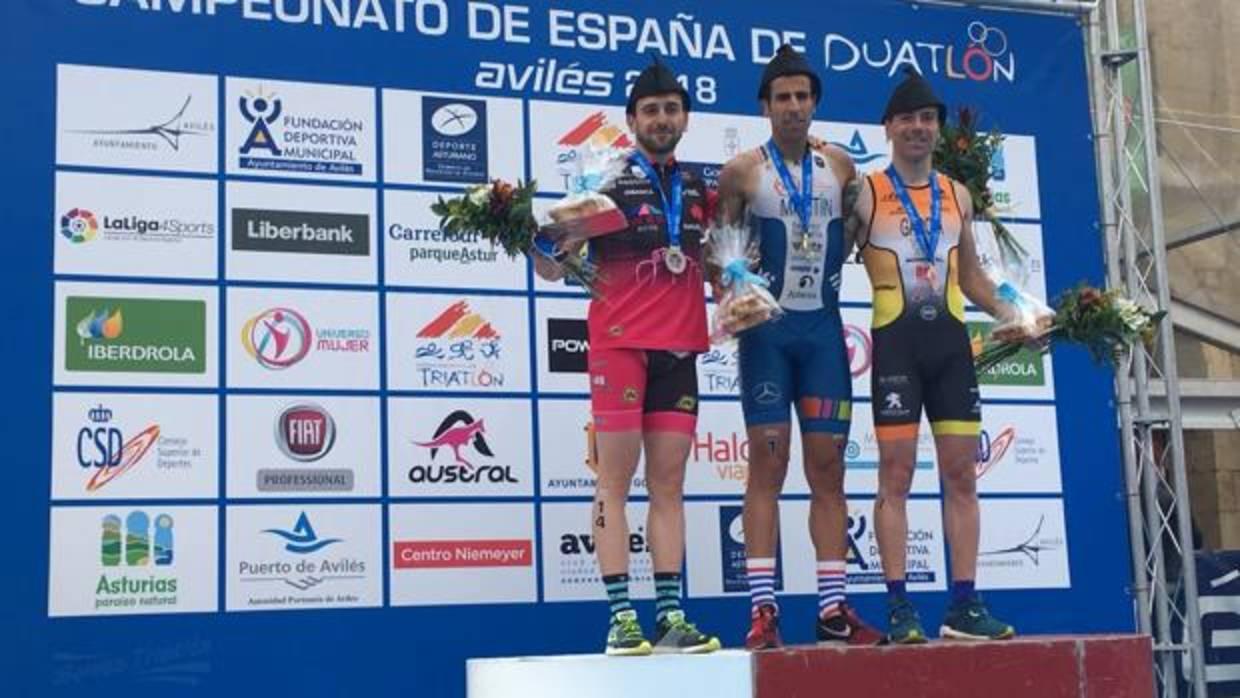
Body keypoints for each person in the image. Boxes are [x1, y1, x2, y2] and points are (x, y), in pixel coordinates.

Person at [533, 58, 720, 656]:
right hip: (620, 346)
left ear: (685, 118)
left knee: (669, 486)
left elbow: (718, 263)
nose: (662, 119)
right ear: (632, 120)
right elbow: (551, 266)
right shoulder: (605, 184)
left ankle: (669, 617)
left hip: (680, 349)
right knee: (615, 481)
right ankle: (621, 619)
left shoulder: (700, 189)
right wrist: (536, 241)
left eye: (671, 109)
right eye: (651, 110)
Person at [848, 70, 1030, 643]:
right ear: (887, 127)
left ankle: (964, 605)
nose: (918, 127)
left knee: (961, 475)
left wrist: (1018, 315)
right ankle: (899, 605)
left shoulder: (958, 195)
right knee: (895, 475)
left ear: (938, 129)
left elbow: (972, 278)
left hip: (950, 348)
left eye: (927, 119)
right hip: (896, 348)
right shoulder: (866, 193)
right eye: (907, 118)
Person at [716, 45, 881, 649]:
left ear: (814, 103)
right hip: (767, 336)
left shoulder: (840, 165)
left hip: (823, 339)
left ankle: (833, 608)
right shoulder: (741, 171)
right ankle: (763, 610)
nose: (793, 106)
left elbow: (859, 233)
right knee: (767, 463)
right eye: (782, 97)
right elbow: (719, 254)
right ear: (765, 106)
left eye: (802, 96)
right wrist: (731, 282)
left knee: (828, 469)